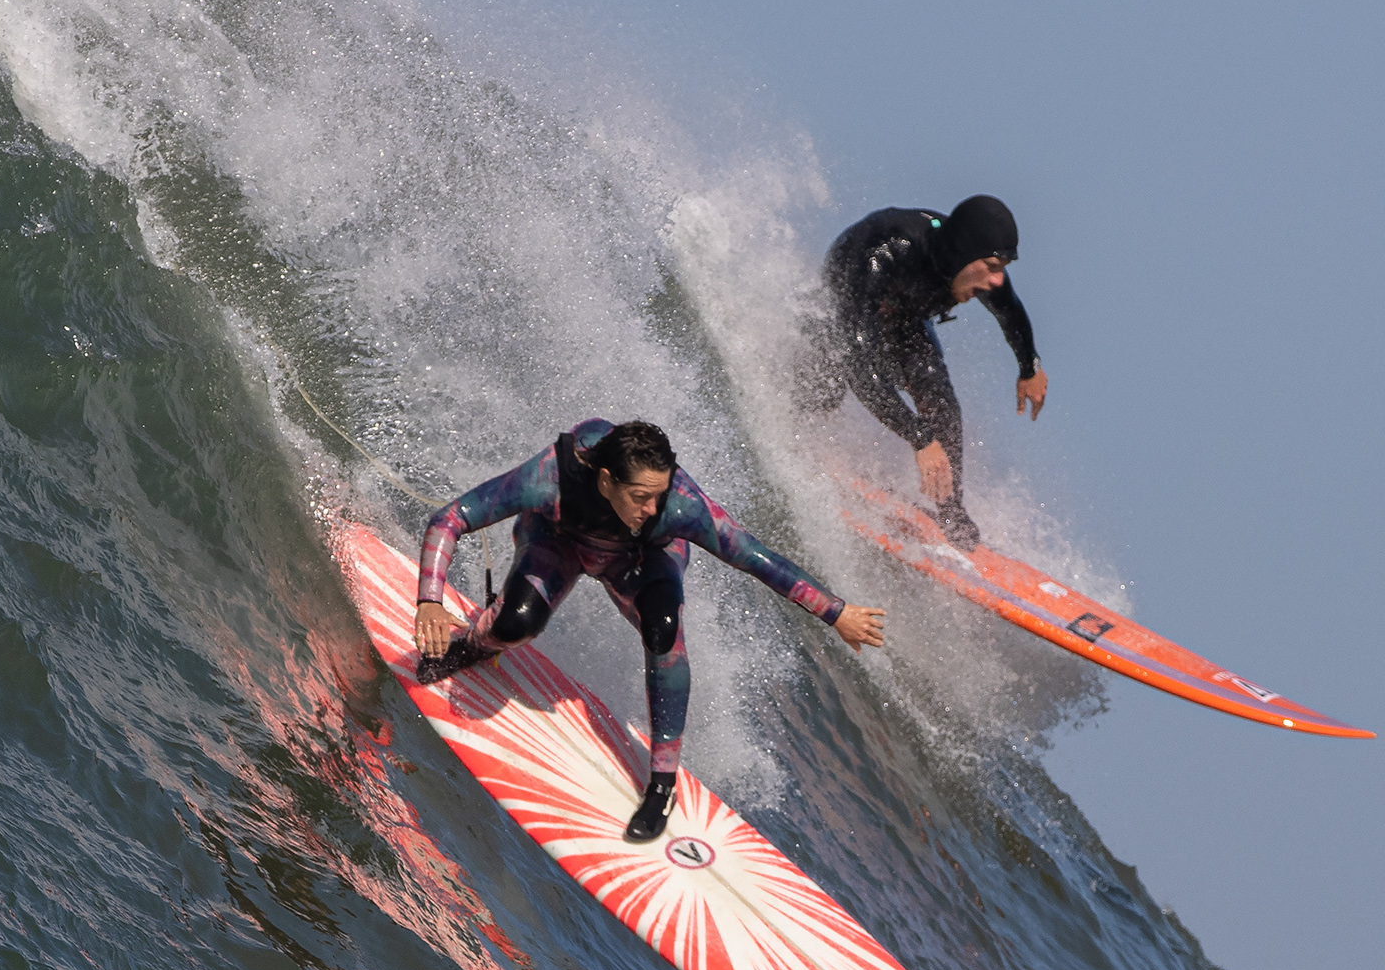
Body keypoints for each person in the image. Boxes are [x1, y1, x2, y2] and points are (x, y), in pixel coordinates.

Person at [412, 419, 887, 842]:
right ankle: (476, 644)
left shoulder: (679, 508)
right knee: (516, 624)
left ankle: (662, 786)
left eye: (659, 493)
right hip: (559, 543)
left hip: (640, 561)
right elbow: (449, 518)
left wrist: (835, 613)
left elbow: (756, 557)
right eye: (640, 496)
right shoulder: (551, 478)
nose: (652, 506)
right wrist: (430, 602)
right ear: (605, 480)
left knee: (663, 629)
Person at [800, 194, 1046, 549]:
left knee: (940, 400)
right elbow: (858, 364)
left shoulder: (972, 264)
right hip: (842, 315)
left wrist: (1029, 367)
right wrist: (919, 437)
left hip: (903, 318)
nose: (997, 281)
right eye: (993, 266)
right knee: (830, 374)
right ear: (965, 253)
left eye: (1002, 268)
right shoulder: (884, 253)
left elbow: (1010, 311)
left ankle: (950, 510)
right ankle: (800, 444)